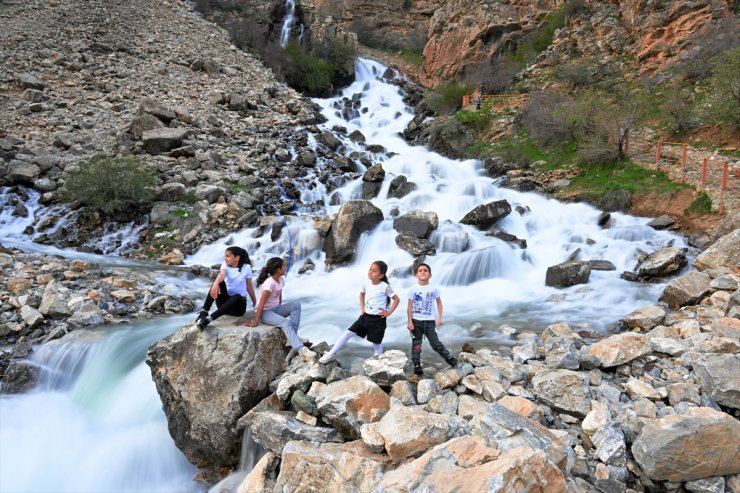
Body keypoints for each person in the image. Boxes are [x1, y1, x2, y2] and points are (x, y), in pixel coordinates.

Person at [319, 261, 400, 364]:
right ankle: (331, 354)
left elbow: (396, 299)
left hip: (378, 320)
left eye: (374, 271)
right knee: (347, 333)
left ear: (381, 275)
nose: (370, 272)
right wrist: (362, 308)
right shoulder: (366, 283)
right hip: (364, 317)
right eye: (370, 269)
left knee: (376, 344)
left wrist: (389, 312)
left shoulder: (384, 287)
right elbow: (361, 294)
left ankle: (378, 363)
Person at [245, 257, 316, 361]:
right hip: (265, 312)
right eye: (283, 266)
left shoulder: (280, 280)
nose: (285, 267)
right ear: (278, 269)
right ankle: (301, 350)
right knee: (286, 323)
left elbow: (279, 297)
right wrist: (256, 321)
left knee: (296, 305)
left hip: (275, 309)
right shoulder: (269, 284)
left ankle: (292, 338)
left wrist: (279, 310)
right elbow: (261, 303)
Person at [406, 263, 457, 375]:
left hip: (430, 322)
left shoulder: (434, 289)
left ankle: (449, 358)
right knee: (417, 345)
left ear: (430, 275)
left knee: (436, 344)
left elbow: (439, 303)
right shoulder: (413, 289)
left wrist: (440, 317)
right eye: (420, 270)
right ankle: (417, 365)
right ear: (416, 275)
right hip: (416, 321)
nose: (423, 272)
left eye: (425, 270)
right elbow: (409, 306)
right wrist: (410, 322)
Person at [196, 246, 257, 330]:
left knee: (237, 296)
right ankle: (204, 311)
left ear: (237, 257)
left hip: (238, 308)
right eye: (225, 256)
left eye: (228, 256)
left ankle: (209, 319)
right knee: (218, 283)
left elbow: (249, 286)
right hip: (224, 304)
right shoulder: (225, 265)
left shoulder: (246, 268)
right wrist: (215, 283)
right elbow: (221, 275)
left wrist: (255, 304)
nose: (225, 258)